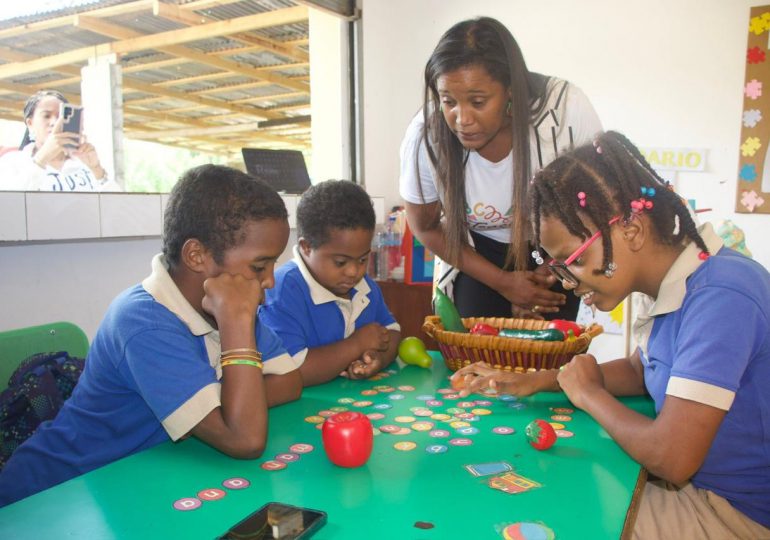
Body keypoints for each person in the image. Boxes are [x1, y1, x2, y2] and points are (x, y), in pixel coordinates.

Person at [451, 131, 770, 539]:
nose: (566, 282)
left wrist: (589, 395)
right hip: (702, 493)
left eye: (574, 262)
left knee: (563, 520)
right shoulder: (678, 283)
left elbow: (672, 459)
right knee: (560, 489)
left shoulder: (721, 296)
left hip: (738, 515)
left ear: (631, 231)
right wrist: (543, 380)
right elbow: (643, 370)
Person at [0, 165, 303, 506]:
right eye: (260, 267)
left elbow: (289, 380)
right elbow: (245, 439)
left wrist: (222, 402)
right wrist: (235, 344)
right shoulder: (144, 322)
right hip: (53, 497)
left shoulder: (230, 305)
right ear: (197, 256)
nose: (269, 282)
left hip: (136, 478)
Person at [399, 16, 602, 320]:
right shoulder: (427, 134)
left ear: (509, 89)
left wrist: (559, 261)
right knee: (477, 358)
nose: (461, 118)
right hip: (475, 254)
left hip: (558, 247)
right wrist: (503, 283)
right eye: (448, 101)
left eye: (478, 102)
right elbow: (425, 225)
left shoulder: (565, 111)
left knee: (550, 358)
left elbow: (600, 200)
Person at [261, 180, 401, 386]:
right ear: (306, 247)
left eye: (363, 259)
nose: (354, 271)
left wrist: (377, 359)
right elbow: (291, 372)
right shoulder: (281, 291)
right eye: (340, 262)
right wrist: (357, 345)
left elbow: (393, 333)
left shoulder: (365, 286)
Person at [0, 89, 120, 192]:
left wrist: (97, 170)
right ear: (30, 124)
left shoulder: (84, 164)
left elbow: (119, 209)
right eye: (46, 116)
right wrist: (42, 158)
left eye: (61, 116)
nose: (55, 122)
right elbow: (10, 206)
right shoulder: (13, 162)